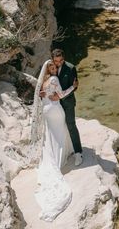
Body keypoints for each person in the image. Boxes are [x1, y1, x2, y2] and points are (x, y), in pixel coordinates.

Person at [34, 59, 77, 221]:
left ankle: (52, 157)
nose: (54, 68)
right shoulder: (53, 79)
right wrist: (73, 87)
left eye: (54, 66)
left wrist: (45, 95)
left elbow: (40, 95)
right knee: (59, 134)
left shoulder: (43, 82)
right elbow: (61, 94)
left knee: (51, 135)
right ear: (47, 68)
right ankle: (58, 160)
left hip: (46, 110)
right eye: (51, 66)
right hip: (55, 109)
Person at [47, 48, 83, 166]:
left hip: (68, 103)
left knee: (71, 124)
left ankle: (78, 152)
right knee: (58, 127)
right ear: (53, 59)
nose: (58, 63)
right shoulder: (49, 67)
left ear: (64, 58)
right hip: (54, 105)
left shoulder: (71, 68)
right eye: (56, 61)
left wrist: (60, 97)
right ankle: (63, 151)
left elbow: (75, 86)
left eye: (61, 60)